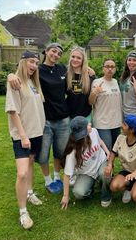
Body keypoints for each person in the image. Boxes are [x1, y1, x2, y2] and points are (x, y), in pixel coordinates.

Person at [8, 43, 70, 194]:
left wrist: (87, 69)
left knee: (59, 152)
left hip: (63, 119)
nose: (56, 55)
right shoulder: (38, 70)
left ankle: (57, 177)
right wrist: (10, 76)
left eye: (59, 53)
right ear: (46, 52)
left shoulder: (62, 69)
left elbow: (77, 72)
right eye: (53, 51)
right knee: (42, 155)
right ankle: (48, 180)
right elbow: (19, 74)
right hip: (45, 121)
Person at [5, 50, 45, 230]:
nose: (34, 66)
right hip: (23, 135)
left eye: (36, 63)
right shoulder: (15, 82)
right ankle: (23, 211)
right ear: (22, 62)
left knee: (30, 163)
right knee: (21, 173)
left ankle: (30, 193)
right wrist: (22, 135)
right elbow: (13, 110)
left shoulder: (33, 82)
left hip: (37, 133)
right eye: (31, 61)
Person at [60, 116, 112, 209]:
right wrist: (65, 196)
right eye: (88, 124)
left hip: (101, 163)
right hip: (87, 173)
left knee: (104, 174)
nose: (90, 124)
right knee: (78, 193)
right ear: (82, 132)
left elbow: (100, 141)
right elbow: (66, 175)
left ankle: (106, 196)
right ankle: (91, 187)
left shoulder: (94, 131)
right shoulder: (73, 151)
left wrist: (107, 152)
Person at [105, 115, 136, 210]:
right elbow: (113, 153)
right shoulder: (120, 138)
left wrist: (134, 174)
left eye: (124, 124)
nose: (121, 125)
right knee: (113, 186)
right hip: (127, 172)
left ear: (131, 130)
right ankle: (129, 188)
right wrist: (110, 164)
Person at [89, 59, 122, 151]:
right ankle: (105, 165)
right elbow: (90, 102)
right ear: (103, 69)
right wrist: (94, 92)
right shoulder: (97, 82)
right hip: (102, 123)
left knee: (114, 152)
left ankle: (110, 165)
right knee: (106, 151)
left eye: (112, 67)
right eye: (107, 66)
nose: (110, 69)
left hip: (116, 122)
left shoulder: (115, 82)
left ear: (115, 69)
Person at [66, 46, 95, 122]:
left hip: (85, 116)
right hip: (69, 116)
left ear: (83, 60)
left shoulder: (90, 75)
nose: (75, 59)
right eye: (73, 56)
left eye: (78, 58)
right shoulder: (65, 74)